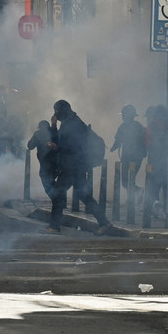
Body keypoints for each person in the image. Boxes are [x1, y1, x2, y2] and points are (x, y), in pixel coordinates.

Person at [44, 99, 113, 236]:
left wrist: (57, 145)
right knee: (85, 196)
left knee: (58, 194)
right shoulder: (71, 121)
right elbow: (61, 141)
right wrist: (54, 127)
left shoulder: (72, 124)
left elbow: (71, 146)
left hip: (71, 166)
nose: (55, 113)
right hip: (77, 166)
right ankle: (104, 223)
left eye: (57, 111)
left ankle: (54, 226)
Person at [110, 104, 146, 195]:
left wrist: (112, 149)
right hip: (134, 158)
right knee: (128, 181)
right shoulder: (138, 126)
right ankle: (136, 195)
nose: (122, 117)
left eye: (123, 115)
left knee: (127, 182)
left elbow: (118, 141)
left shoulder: (124, 127)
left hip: (131, 158)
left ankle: (136, 195)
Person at [27, 120, 58, 201]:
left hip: (45, 163)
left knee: (47, 181)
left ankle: (57, 199)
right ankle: (58, 198)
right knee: (52, 181)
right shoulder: (54, 132)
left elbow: (30, 146)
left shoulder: (38, 134)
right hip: (57, 162)